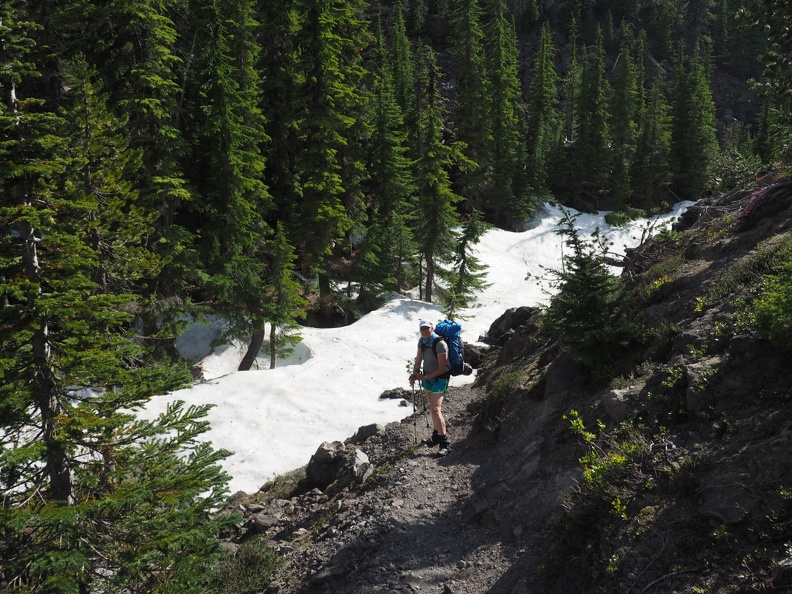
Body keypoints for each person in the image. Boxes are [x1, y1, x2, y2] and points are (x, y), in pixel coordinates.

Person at [409, 319, 451, 454]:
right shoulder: (422, 341)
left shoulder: (440, 344)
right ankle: (436, 435)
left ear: (432, 329)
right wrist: (415, 374)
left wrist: (425, 377)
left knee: (435, 409)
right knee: (432, 409)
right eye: (422, 329)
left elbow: (443, 368)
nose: (425, 331)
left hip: (440, 379)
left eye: (427, 328)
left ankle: (444, 443)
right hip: (427, 378)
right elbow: (418, 359)